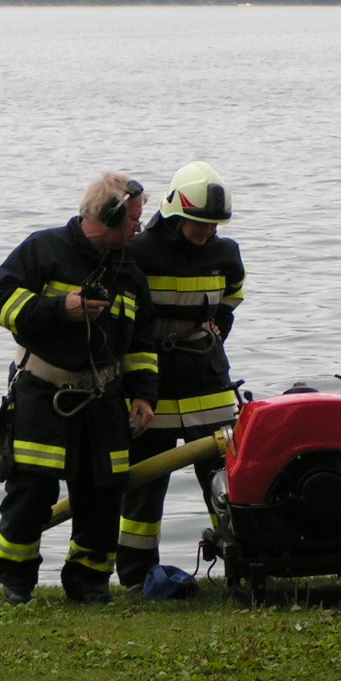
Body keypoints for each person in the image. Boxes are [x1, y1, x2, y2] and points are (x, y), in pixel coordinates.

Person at [0, 171, 159, 605]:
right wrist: (59, 308)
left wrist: (143, 395)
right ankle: (16, 582)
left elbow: (141, 343)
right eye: (133, 220)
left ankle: (88, 581)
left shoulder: (129, 271)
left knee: (103, 495)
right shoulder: (43, 250)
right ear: (109, 217)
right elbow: (1, 303)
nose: (139, 228)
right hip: (43, 394)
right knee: (31, 491)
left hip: (103, 400)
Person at [117, 161, 246, 588]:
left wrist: (218, 325)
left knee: (225, 483)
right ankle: (136, 576)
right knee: (143, 488)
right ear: (175, 213)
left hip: (207, 382)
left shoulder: (226, 253)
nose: (207, 233)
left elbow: (234, 294)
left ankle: (243, 564)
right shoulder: (139, 252)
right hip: (151, 382)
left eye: (213, 226)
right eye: (199, 225)